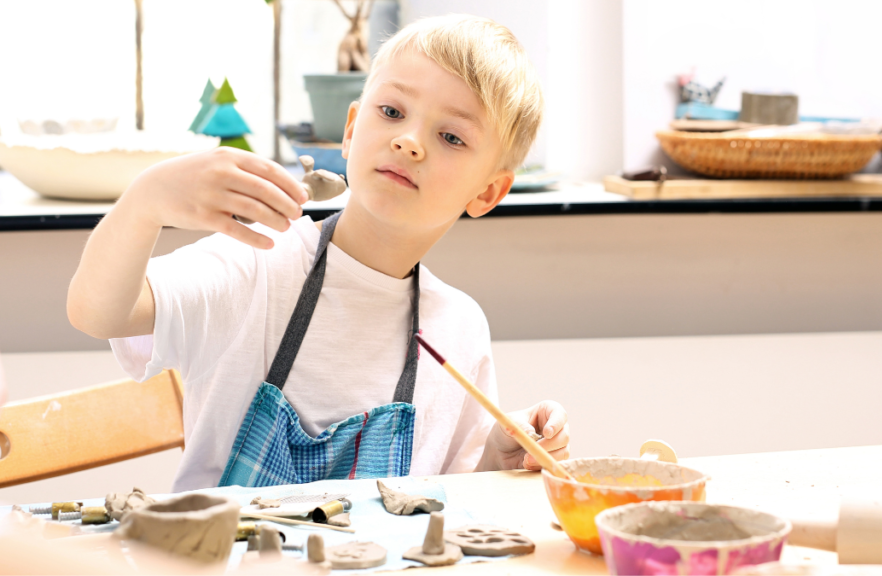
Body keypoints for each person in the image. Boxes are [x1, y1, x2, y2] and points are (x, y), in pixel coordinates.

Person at [66, 14, 569, 492]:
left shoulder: (459, 327)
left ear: (487, 193)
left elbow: (453, 500)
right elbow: (98, 313)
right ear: (351, 131)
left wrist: (498, 459)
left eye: (451, 136)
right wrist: (144, 203)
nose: (410, 141)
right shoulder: (256, 261)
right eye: (392, 112)